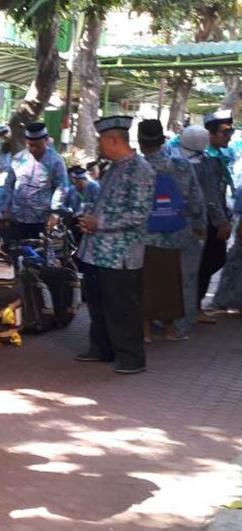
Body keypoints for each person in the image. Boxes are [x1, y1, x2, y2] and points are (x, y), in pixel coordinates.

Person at [74, 115, 155, 375]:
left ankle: (131, 358)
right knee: (98, 304)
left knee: (122, 307)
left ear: (113, 140)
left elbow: (138, 214)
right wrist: (88, 220)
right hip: (98, 251)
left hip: (121, 254)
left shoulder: (140, 170)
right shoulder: (115, 167)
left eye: (101, 141)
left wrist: (99, 222)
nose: (99, 146)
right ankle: (101, 349)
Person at [136, 119, 205, 342]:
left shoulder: (137, 167)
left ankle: (145, 330)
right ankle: (174, 328)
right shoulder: (182, 166)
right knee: (178, 281)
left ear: (140, 142)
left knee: (145, 282)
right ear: (163, 140)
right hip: (178, 234)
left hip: (145, 236)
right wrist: (199, 227)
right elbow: (196, 200)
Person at [183, 120, 234, 323]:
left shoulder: (180, 161)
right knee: (208, 261)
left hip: (188, 224)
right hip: (204, 224)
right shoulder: (202, 163)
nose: (228, 136)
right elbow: (210, 196)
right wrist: (221, 221)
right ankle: (193, 308)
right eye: (225, 132)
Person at [3, 122, 68, 241]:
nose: (33, 149)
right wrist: (5, 209)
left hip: (41, 220)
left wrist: (54, 213)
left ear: (46, 140)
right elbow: (9, 184)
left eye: (37, 145)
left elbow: (61, 187)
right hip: (17, 217)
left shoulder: (56, 161)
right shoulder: (18, 159)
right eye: (30, 145)